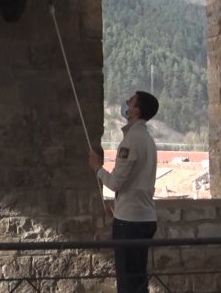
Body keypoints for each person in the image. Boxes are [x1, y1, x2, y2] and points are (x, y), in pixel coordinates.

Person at [88, 91, 159, 293]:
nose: (126, 102)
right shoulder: (148, 140)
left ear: (136, 111)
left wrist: (97, 168)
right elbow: (138, 184)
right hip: (143, 218)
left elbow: (116, 183)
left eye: (131, 101)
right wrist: (118, 210)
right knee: (137, 280)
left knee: (128, 282)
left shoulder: (130, 141)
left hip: (130, 223)